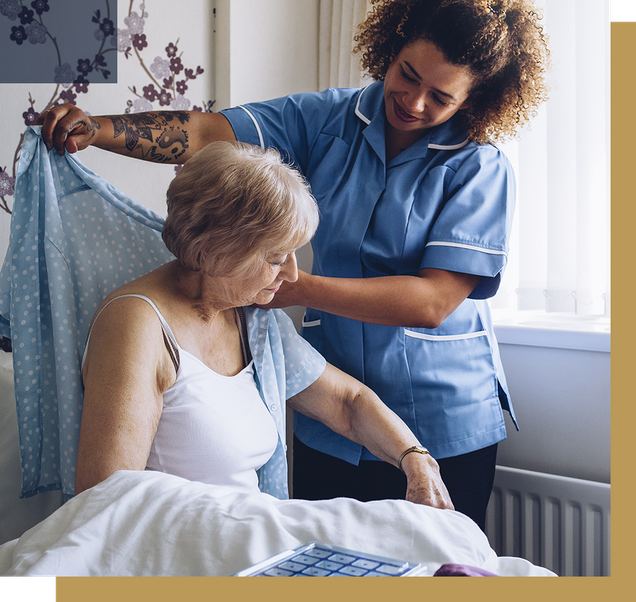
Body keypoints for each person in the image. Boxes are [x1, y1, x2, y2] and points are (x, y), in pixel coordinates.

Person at [38, 0, 550, 529]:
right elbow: (207, 133)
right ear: (393, 45)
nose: (414, 102)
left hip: (442, 416)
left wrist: (286, 283)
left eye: (441, 96)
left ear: (474, 101)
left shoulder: (480, 168)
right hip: (330, 414)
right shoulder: (328, 119)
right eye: (408, 75)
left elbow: (432, 303)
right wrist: (97, 130)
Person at [74, 140, 452, 512]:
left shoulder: (252, 319)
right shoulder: (137, 325)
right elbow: (105, 502)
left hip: (245, 538)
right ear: (213, 251)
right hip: (179, 553)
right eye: (275, 258)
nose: (291, 273)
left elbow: (347, 402)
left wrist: (416, 459)